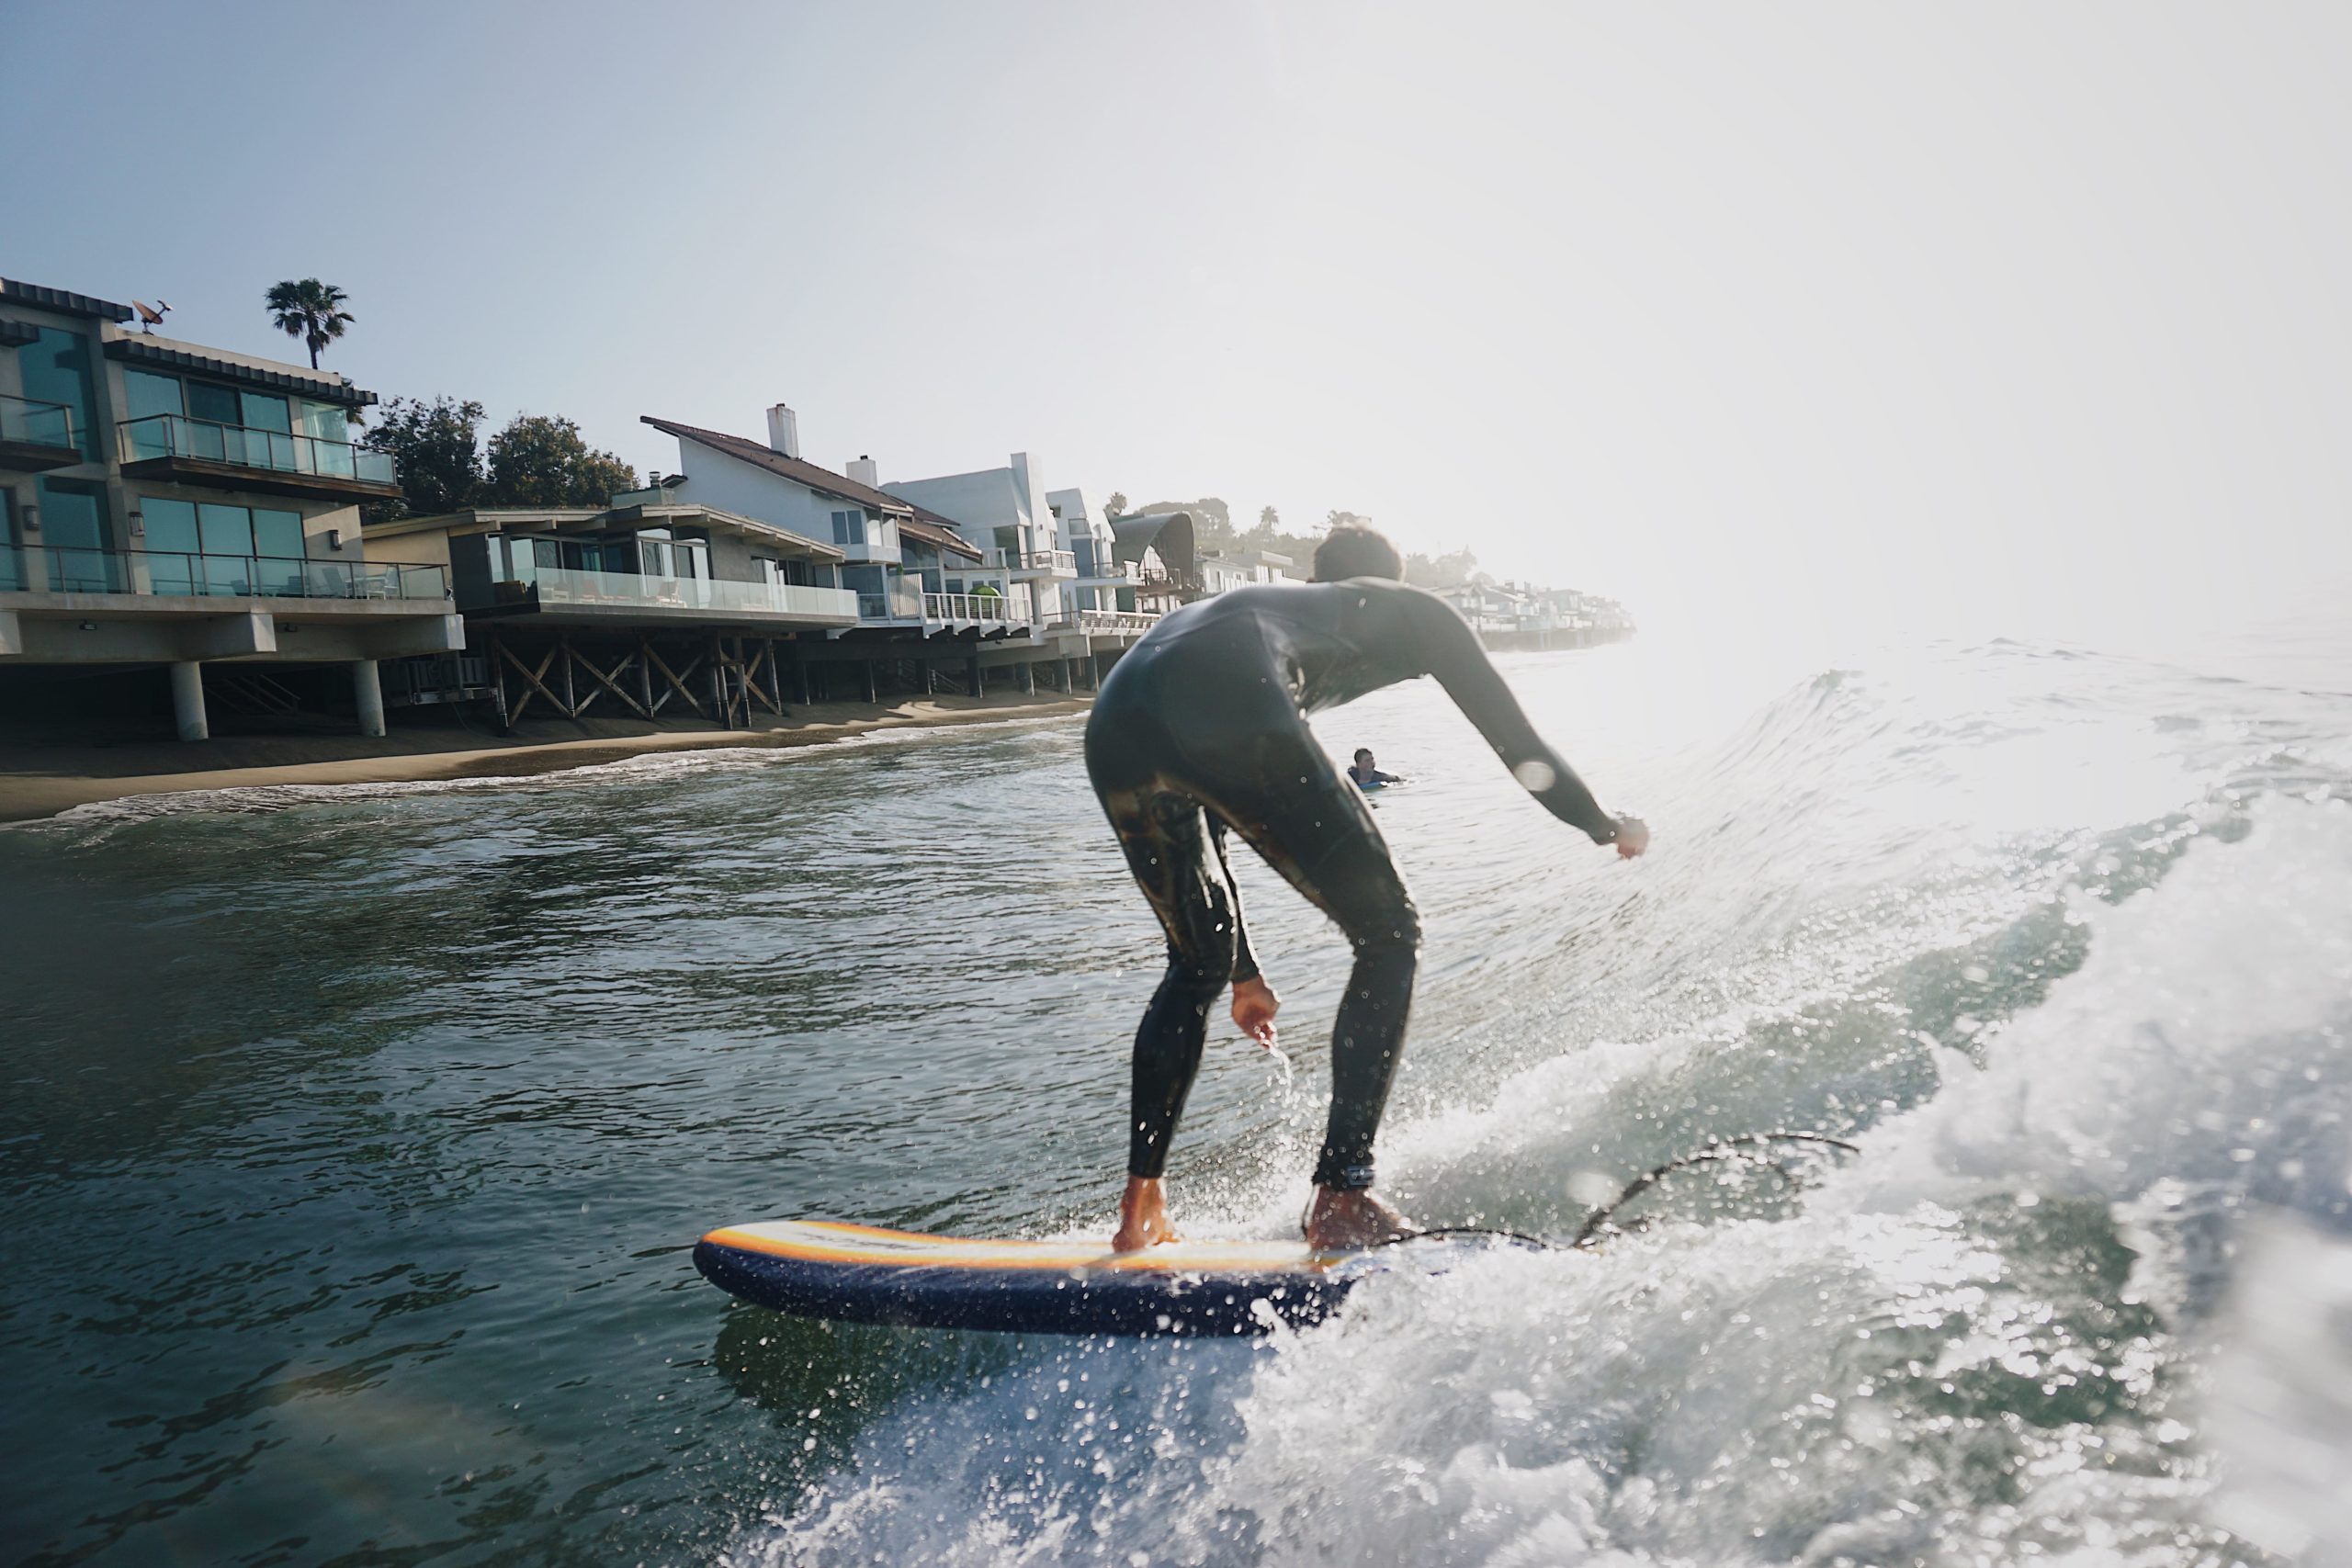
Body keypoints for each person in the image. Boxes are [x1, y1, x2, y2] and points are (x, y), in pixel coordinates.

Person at [1085, 524, 1648, 1251]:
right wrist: (1607, 825)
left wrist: (1243, 972)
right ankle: (1344, 1192)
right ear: (1390, 581)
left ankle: (1141, 1209)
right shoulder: (1413, 609)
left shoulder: (1266, 611)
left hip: (1116, 718)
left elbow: (1209, 819)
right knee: (1390, 934)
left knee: (1194, 962)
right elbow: (1523, 749)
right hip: (1229, 696)